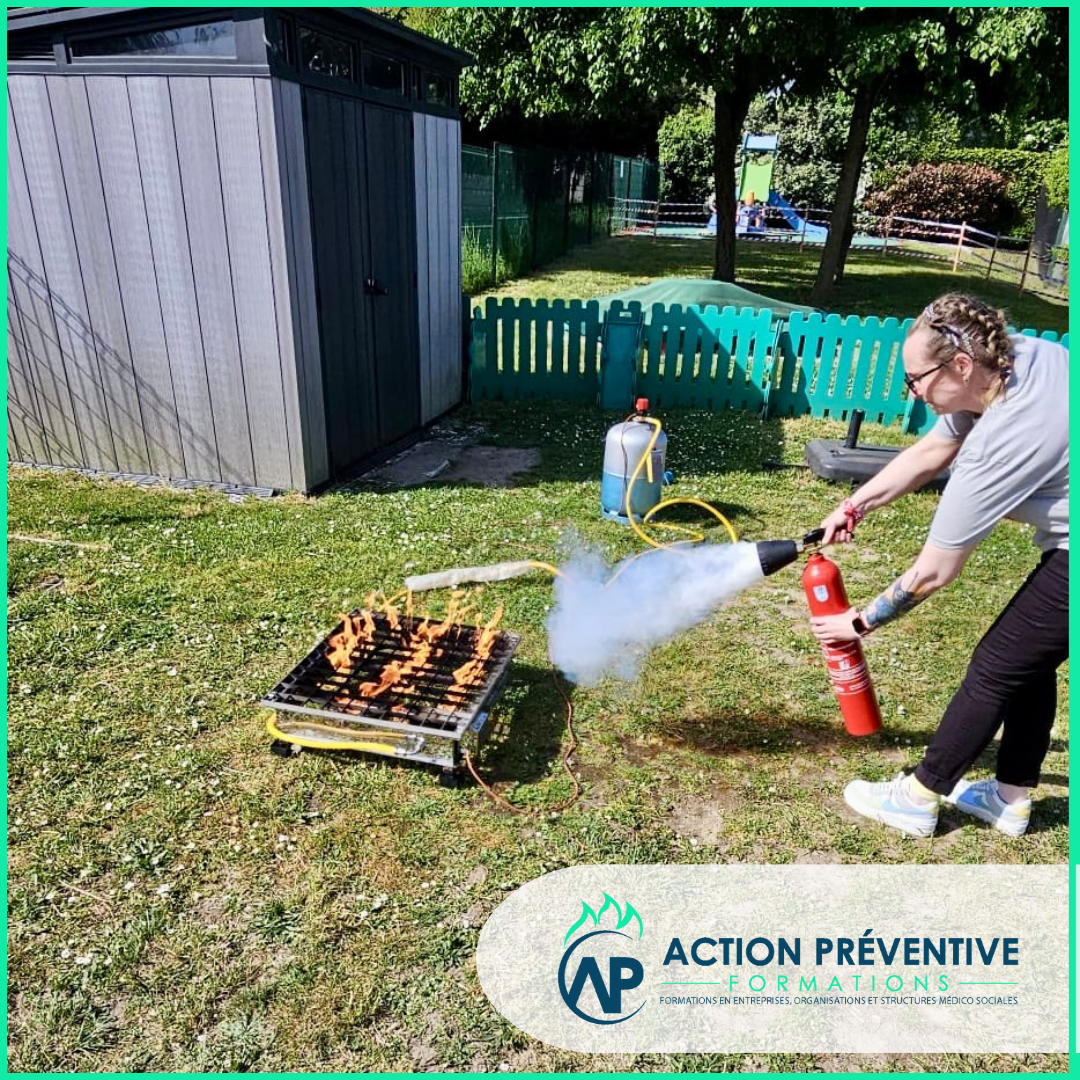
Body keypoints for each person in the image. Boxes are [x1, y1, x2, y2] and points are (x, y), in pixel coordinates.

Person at [809, 293, 1068, 839]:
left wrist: (856, 623)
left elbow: (933, 573)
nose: (913, 392)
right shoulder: (1018, 358)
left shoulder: (1001, 441)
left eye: (916, 379)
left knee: (996, 666)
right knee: (1028, 659)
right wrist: (855, 504)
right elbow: (930, 451)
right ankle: (1009, 797)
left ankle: (920, 795)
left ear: (960, 365)